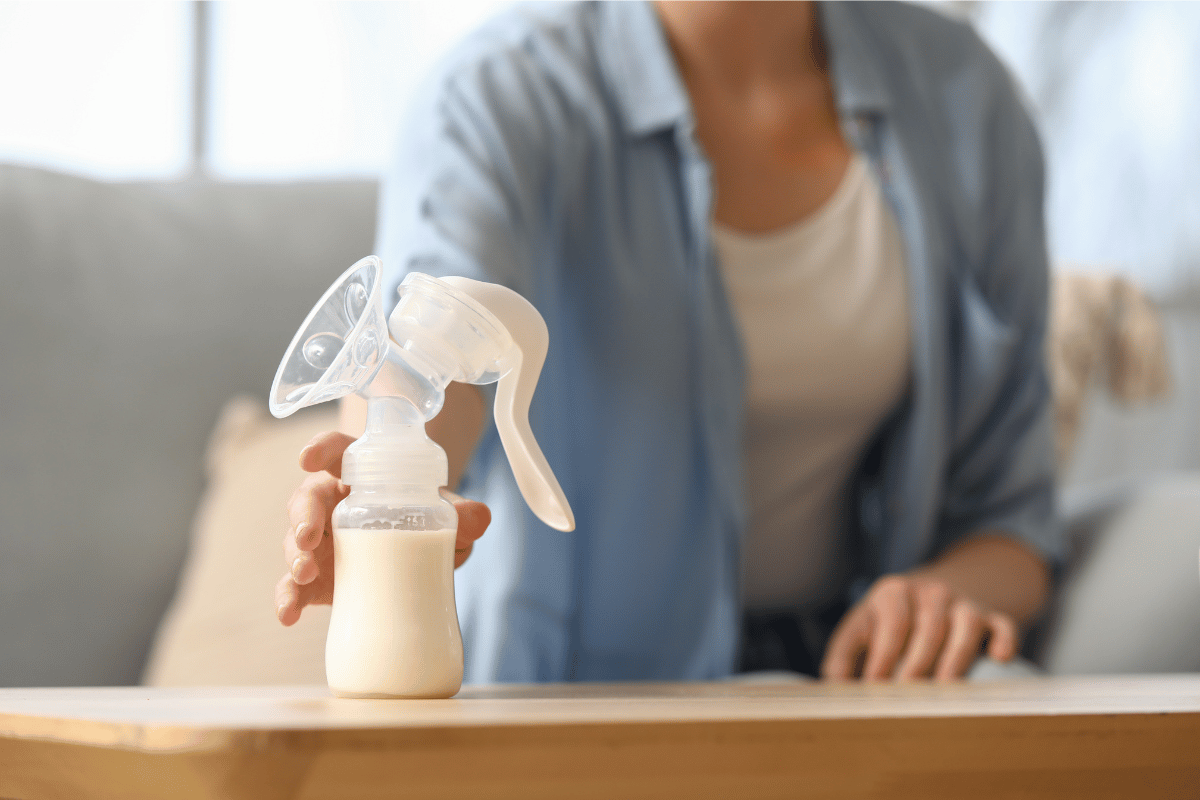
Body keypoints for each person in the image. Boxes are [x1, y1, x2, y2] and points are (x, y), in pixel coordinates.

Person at [275, 0, 1059, 683]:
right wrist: (379, 484)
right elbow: (432, 329)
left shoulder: (965, 100)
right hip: (580, 704)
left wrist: (944, 593)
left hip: (860, 680)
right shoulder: (496, 97)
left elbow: (1012, 515)